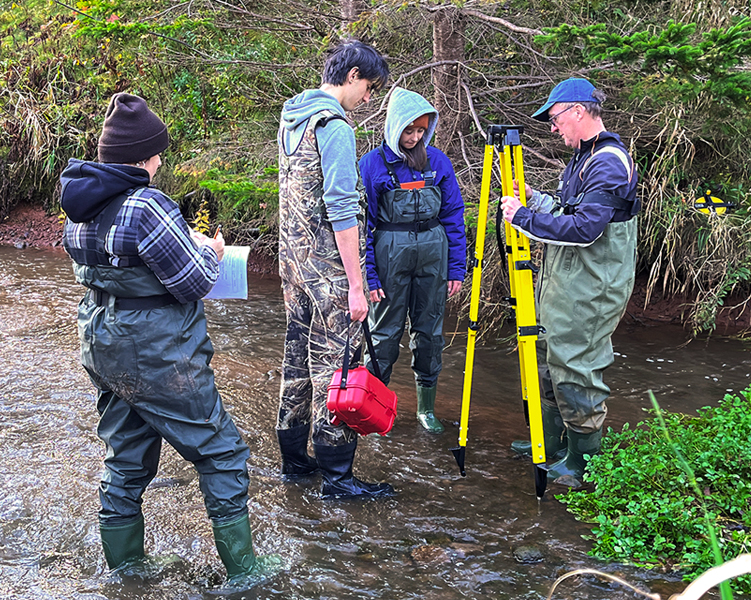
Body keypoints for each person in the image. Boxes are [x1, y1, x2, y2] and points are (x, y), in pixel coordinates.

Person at [60, 93, 280, 583]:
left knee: (126, 454)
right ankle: (246, 573)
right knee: (221, 452)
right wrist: (213, 250)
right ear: (143, 157)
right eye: (157, 153)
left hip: (102, 342)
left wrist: (183, 245)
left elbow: (117, 265)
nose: (160, 161)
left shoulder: (81, 205)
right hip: (155, 350)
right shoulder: (147, 205)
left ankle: (127, 570)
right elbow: (194, 282)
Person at [500, 77, 639, 485]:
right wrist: (535, 199)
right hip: (566, 286)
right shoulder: (584, 158)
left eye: (556, 118)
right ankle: (553, 441)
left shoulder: (609, 161)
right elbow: (567, 211)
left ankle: (582, 463)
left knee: (576, 367)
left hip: (592, 290)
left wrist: (522, 218)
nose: (554, 127)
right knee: (549, 360)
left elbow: (585, 230)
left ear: (578, 111)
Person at [276, 40, 394, 499]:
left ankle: (294, 464)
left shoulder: (292, 119)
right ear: (351, 77)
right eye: (367, 87)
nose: (367, 99)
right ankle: (339, 479)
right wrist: (357, 285)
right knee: (338, 367)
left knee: (295, 363)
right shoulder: (334, 126)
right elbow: (342, 210)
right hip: (328, 271)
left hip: (293, 265)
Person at [358, 87, 466, 434]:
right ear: (394, 127)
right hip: (389, 252)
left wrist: (456, 268)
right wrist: (369, 277)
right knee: (383, 334)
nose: (415, 137)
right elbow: (365, 226)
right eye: (409, 130)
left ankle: (426, 409)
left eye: (421, 130)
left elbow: (453, 215)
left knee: (430, 332)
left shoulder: (438, 161)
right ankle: (370, 407)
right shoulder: (371, 164)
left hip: (434, 253)